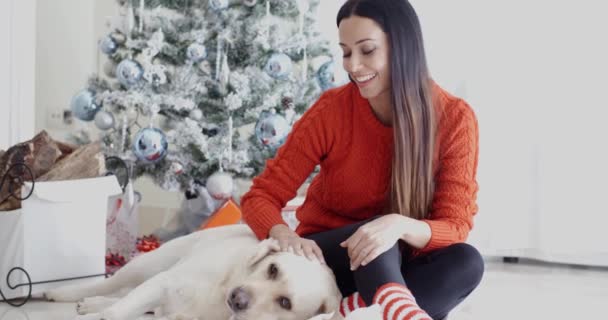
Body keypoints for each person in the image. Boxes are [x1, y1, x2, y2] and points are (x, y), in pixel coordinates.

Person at [241, 0, 483, 319]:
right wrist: (284, 235)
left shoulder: (454, 119)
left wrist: (397, 225)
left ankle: (355, 310)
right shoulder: (332, 111)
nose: (353, 66)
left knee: (466, 262)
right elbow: (261, 196)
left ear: (404, 48)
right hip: (329, 259)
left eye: (366, 50)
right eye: (345, 52)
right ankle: (395, 310)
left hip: (395, 262)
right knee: (376, 237)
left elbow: (454, 226)